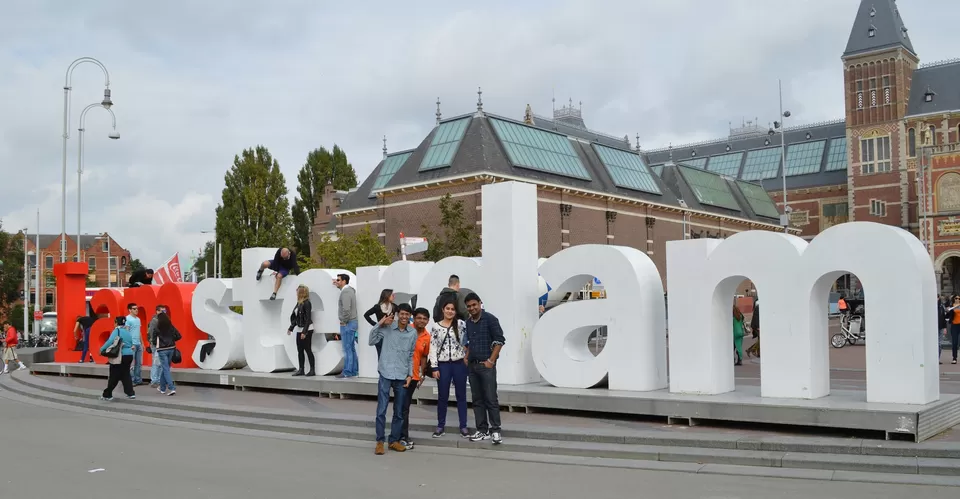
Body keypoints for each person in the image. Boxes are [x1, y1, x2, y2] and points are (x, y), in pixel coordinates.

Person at [368, 303, 417, 455]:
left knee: (399, 411)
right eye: (401, 314)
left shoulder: (412, 333)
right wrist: (380, 323)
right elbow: (371, 340)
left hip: (402, 375)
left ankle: (393, 441)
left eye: (407, 314)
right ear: (397, 315)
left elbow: (410, 356)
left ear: (410, 316)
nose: (404, 317)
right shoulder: (387, 328)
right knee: (381, 409)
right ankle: (380, 441)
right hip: (385, 373)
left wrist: (410, 375)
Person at [463, 293, 505, 444]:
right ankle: (482, 430)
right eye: (469, 306)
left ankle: (496, 430)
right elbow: (470, 342)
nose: (472, 308)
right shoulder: (468, 322)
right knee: (477, 400)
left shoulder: (490, 319)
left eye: (474, 305)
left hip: (486, 366)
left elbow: (499, 340)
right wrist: (466, 357)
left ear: (480, 303)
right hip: (473, 366)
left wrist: (491, 361)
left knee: (490, 398)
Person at [428, 299, 470, 439]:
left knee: (461, 396)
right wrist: (434, 367)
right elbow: (432, 347)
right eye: (448, 308)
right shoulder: (436, 327)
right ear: (443, 310)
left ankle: (463, 426)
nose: (450, 311)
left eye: (452, 309)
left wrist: (466, 355)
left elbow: (467, 341)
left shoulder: (461, 324)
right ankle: (440, 425)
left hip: (459, 364)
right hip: (443, 364)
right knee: (442, 396)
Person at [400, 307, 432, 450]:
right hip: (401, 375)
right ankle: (401, 437)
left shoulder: (427, 337)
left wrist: (422, 374)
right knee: (401, 406)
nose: (422, 321)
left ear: (428, 321)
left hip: (414, 376)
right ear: (414, 318)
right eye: (419, 318)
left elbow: (424, 356)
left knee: (405, 407)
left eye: (425, 319)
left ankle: (403, 436)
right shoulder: (406, 330)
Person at [99, 316, 136, 401]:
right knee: (125, 374)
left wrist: (101, 349)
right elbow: (131, 342)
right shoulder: (127, 332)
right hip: (129, 355)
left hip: (120, 356)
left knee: (114, 375)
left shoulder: (117, 331)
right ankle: (130, 393)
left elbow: (110, 341)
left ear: (116, 323)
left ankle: (107, 394)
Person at [288, 285, 316, 377]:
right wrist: (291, 328)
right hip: (299, 328)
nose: (296, 291)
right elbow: (296, 318)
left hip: (307, 329)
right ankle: (301, 369)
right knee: (300, 350)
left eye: (297, 290)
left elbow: (308, 319)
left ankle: (312, 370)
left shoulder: (307, 303)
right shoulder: (298, 303)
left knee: (307, 349)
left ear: (301, 292)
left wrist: (304, 332)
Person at [335, 274, 359, 378]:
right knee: (351, 348)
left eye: (338, 280)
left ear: (344, 281)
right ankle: (353, 370)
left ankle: (347, 371)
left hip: (348, 323)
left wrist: (344, 321)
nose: (337, 282)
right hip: (351, 322)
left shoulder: (345, 293)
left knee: (347, 348)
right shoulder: (350, 291)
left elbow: (346, 309)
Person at [363, 289, 396, 359]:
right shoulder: (377, 307)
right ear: (387, 296)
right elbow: (366, 315)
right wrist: (377, 324)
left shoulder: (394, 306)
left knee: (390, 356)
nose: (394, 296)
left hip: (390, 334)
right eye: (392, 295)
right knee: (381, 356)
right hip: (380, 334)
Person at [153, 313, 181, 396]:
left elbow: (154, 340)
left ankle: (172, 388)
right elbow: (179, 336)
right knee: (166, 368)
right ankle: (162, 388)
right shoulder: (171, 327)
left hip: (162, 350)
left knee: (165, 368)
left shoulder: (157, 328)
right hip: (171, 348)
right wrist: (172, 340)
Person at [146, 305, 168, 386]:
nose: (164, 313)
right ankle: (154, 380)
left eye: (165, 311)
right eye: (162, 311)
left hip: (162, 344)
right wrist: (153, 342)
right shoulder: (154, 321)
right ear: (157, 311)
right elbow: (151, 333)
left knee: (160, 362)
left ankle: (159, 379)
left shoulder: (163, 320)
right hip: (156, 344)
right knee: (156, 362)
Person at [125, 303, 144, 385]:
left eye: (137, 308)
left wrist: (142, 343)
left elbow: (139, 332)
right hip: (131, 344)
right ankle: (131, 380)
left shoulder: (138, 319)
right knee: (131, 364)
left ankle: (138, 379)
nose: (136, 310)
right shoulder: (127, 319)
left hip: (138, 344)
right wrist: (130, 344)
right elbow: (126, 332)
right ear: (130, 310)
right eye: (134, 308)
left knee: (139, 364)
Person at [948, 296, 960, 365]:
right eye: (956, 298)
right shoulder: (952, 306)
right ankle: (954, 358)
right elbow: (948, 315)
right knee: (954, 342)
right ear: (954, 299)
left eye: (959, 298)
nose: (957, 299)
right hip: (954, 325)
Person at [938, 294, 948, 364]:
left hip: (941, 326)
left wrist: (945, 327)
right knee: (936, 343)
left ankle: (937, 358)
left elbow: (944, 317)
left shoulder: (942, 306)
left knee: (939, 343)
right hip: (934, 328)